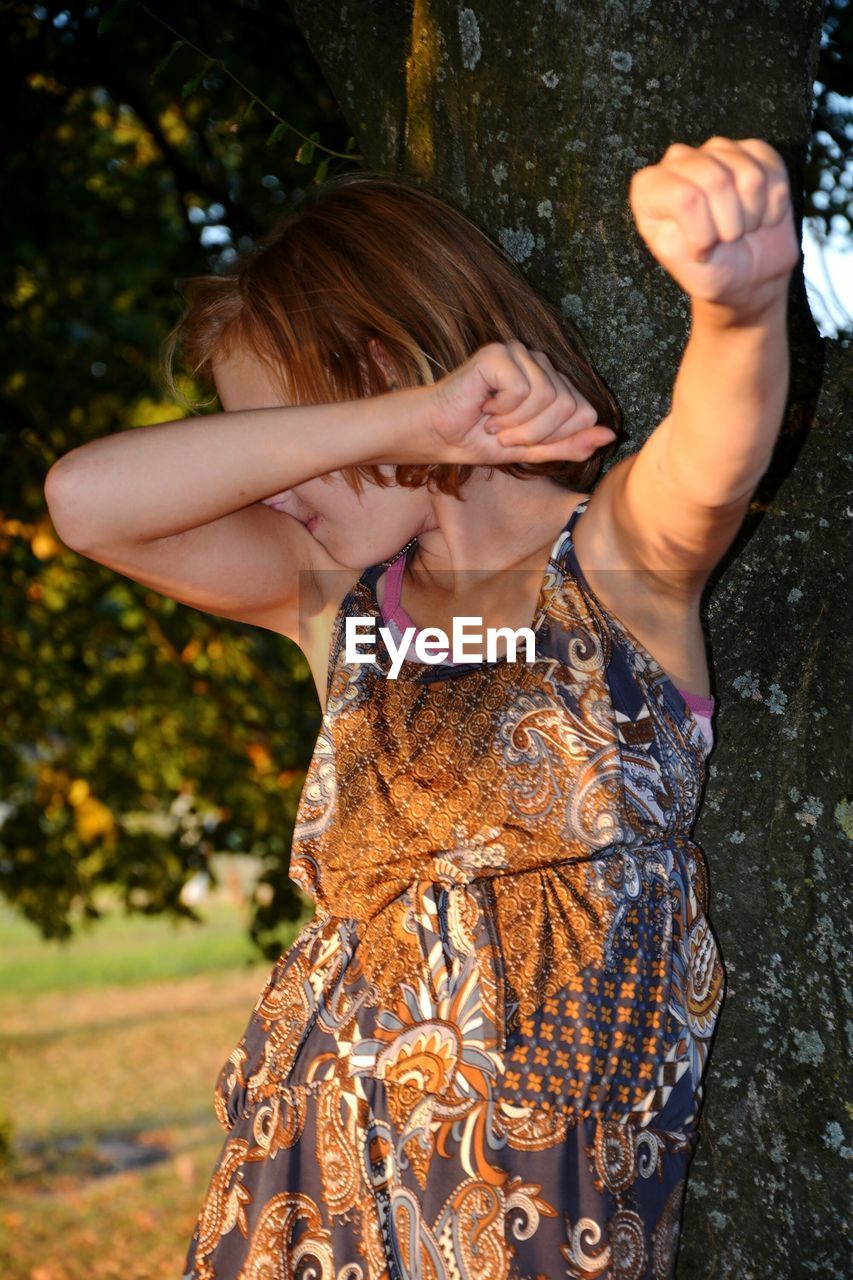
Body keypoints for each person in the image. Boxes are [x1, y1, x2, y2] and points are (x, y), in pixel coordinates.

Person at [44, 136, 797, 1278]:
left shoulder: (608, 566)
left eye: (285, 442)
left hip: (531, 1209)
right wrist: (403, 424)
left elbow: (711, 458)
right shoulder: (330, 602)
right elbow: (85, 501)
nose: (271, 490)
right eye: (271, 449)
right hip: (307, 1186)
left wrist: (738, 309)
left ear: (392, 357)